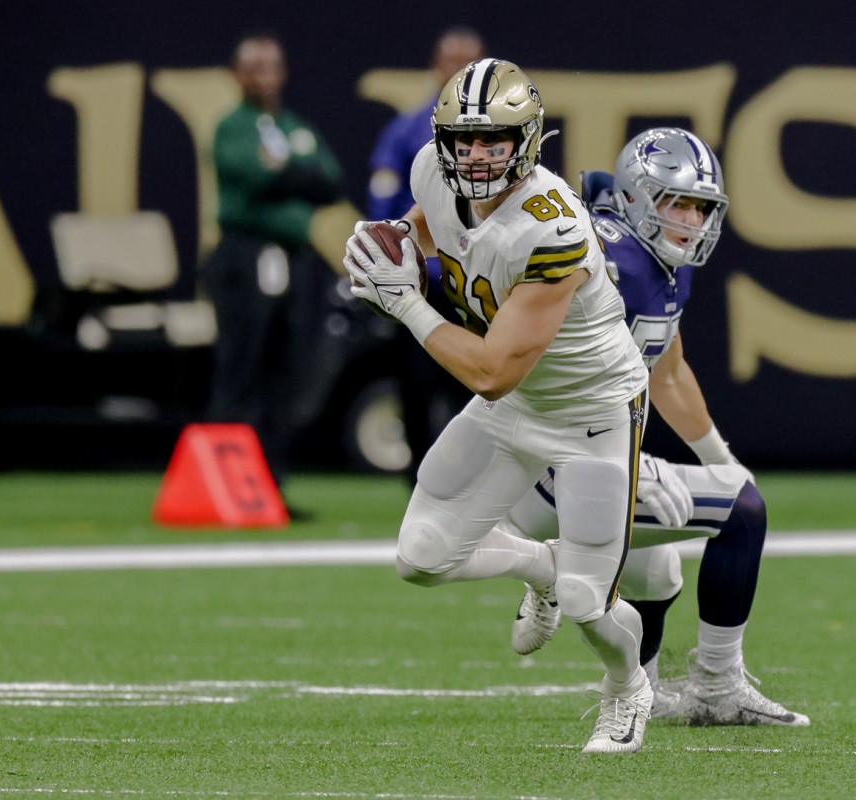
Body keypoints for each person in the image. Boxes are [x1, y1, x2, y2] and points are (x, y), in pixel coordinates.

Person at [343, 59, 655, 754]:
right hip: (518, 408)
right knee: (419, 556)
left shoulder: (553, 229)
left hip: (590, 414)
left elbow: (491, 373)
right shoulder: (431, 169)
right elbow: (428, 224)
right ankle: (538, 567)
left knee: (588, 602)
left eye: (494, 140)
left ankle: (627, 687)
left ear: (529, 140)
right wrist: (392, 241)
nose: (476, 155)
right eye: (464, 139)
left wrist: (404, 301)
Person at [501, 128, 809, 727]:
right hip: (550, 460)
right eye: (680, 204)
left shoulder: (662, 263)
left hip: (579, 455)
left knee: (657, 568)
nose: (694, 220)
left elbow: (667, 373)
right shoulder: (607, 258)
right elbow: (538, 359)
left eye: (701, 207)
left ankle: (635, 689)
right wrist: (608, 463)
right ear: (641, 198)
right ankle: (717, 686)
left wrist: (720, 458)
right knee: (742, 512)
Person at [202, 33, 344, 499]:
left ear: (283, 72)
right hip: (246, 256)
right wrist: (293, 178)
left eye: (271, 65)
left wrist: (287, 177)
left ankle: (269, 489)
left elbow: (329, 182)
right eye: (253, 66)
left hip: (291, 257)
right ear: (237, 74)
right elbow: (255, 176)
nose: (263, 75)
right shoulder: (233, 127)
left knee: (284, 373)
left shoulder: (295, 127)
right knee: (240, 369)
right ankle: (227, 488)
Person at [365, 27, 484, 485]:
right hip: (425, 272)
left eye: (467, 62)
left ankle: (474, 474)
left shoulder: (497, 133)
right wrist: (394, 250)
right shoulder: (410, 128)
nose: (457, 71)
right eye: (451, 60)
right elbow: (384, 194)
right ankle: (418, 474)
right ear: (437, 65)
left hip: (476, 274)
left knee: (475, 376)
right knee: (416, 378)